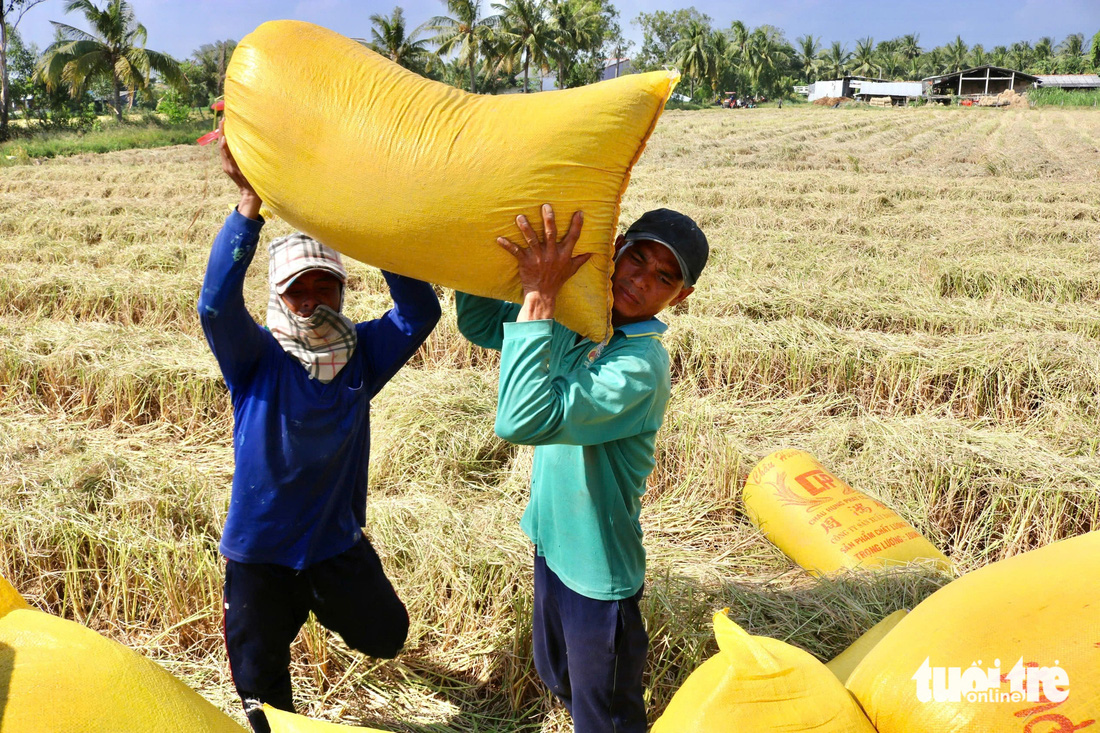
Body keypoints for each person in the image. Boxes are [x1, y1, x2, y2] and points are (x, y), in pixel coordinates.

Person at [198, 131, 441, 733]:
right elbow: (213, 308)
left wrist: (375, 229)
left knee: (387, 636)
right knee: (263, 700)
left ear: (340, 287)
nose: (309, 300)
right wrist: (249, 206)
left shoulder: (360, 355)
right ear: (278, 295)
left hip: (333, 544)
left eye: (322, 285)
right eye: (295, 289)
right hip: (259, 554)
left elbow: (420, 313)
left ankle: (312, 604)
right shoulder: (256, 358)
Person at [455, 205, 708, 732]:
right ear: (614, 251)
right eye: (635, 260)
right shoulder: (586, 322)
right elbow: (479, 323)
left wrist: (541, 296)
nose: (640, 281)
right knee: (560, 678)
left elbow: (522, 420)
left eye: (663, 277)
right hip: (553, 545)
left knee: (606, 716)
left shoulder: (639, 367)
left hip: (598, 574)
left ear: (679, 297)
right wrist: (500, 253)